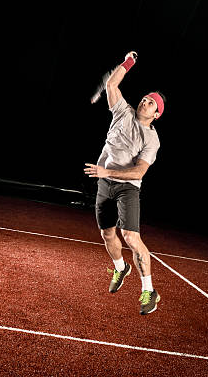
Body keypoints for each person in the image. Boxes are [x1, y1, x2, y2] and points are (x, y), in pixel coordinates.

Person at [84, 51, 164, 315]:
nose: (144, 102)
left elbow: (139, 172)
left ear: (157, 114)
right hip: (104, 183)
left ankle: (148, 290)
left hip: (127, 188)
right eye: (144, 99)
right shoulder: (122, 111)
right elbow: (111, 85)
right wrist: (128, 63)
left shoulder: (152, 140)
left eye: (151, 103)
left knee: (130, 235)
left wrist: (107, 173)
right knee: (107, 234)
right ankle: (121, 269)